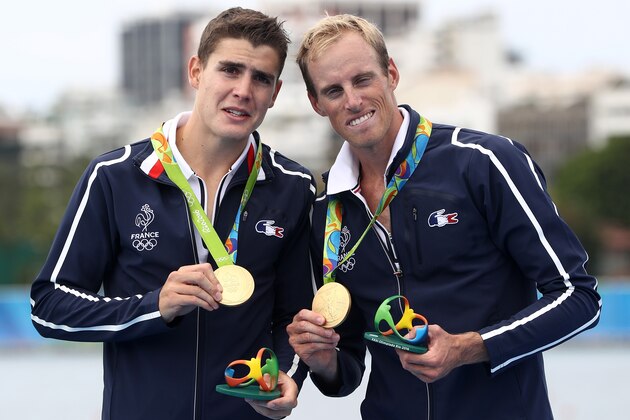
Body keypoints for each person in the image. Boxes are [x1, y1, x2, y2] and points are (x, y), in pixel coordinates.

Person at [287, 14, 602, 420]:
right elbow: (346, 369)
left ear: (391, 73)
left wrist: (469, 346)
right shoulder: (325, 208)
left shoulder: (484, 162)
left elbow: (579, 297)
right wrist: (322, 358)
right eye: (333, 90)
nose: (352, 101)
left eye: (363, 79)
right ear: (316, 103)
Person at [30, 7, 316, 420]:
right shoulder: (115, 176)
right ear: (196, 71)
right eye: (230, 70)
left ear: (275, 92)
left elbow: (295, 317)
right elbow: (48, 305)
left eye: (261, 78)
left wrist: (287, 376)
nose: (243, 90)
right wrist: (153, 306)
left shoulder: (292, 185)